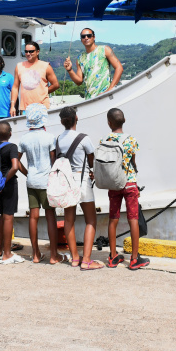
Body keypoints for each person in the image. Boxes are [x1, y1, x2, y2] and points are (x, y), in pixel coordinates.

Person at [18, 104, 65, 264]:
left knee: (33, 216)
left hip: (31, 181)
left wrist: (27, 173)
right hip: (46, 182)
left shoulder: (24, 139)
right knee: (50, 215)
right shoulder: (49, 137)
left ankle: (36, 254)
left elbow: (16, 161)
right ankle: (53, 255)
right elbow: (53, 160)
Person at [102, 108, 149, 270]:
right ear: (124, 120)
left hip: (114, 184)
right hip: (129, 183)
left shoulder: (105, 139)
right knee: (133, 219)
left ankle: (113, 256)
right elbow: (133, 163)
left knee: (113, 219)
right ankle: (135, 259)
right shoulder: (131, 140)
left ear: (109, 123)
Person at [56, 107, 103, 270]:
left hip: (66, 181)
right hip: (81, 180)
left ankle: (75, 258)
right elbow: (92, 161)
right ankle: (87, 260)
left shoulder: (58, 140)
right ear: (76, 118)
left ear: (62, 122)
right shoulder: (84, 138)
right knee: (91, 220)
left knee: (69, 220)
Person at [0, 121, 23, 264]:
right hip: (8, 184)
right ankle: (7, 254)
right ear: (10, 133)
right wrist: (4, 181)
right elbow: (15, 167)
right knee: (9, 217)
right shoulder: (12, 147)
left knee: (2, 215)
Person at [64, 28, 124, 99]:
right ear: (81, 40)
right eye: (83, 36)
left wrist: (110, 90)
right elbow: (79, 81)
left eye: (89, 35)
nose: (86, 38)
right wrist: (70, 70)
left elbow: (119, 68)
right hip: (89, 98)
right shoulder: (80, 58)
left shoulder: (104, 49)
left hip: (105, 95)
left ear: (94, 37)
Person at [10, 42, 59, 117]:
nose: (28, 53)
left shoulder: (46, 66)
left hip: (42, 107)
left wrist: (43, 92)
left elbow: (56, 85)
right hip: (25, 109)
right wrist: (12, 105)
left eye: (31, 51)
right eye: (26, 51)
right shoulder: (19, 66)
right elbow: (15, 87)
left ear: (37, 52)